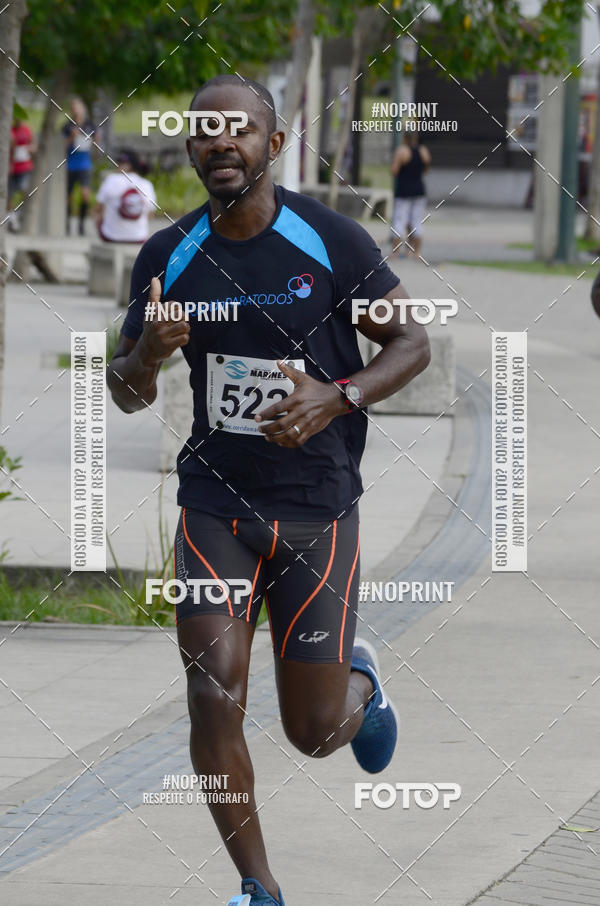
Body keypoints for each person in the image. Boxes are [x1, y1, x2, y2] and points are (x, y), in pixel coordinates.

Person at [107, 75, 430, 906]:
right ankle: (259, 889)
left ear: (274, 145)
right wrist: (146, 356)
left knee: (314, 731)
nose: (222, 141)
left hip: (318, 508)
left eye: (240, 129)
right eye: (206, 130)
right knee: (212, 687)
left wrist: (339, 395)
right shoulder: (167, 256)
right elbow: (126, 388)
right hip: (216, 504)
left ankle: (360, 683)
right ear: (192, 149)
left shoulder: (330, 241)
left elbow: (414, 344)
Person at [94, 149, 156, 243]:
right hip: (139, 237)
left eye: (120, 162)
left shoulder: (111, 179)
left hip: (110, 236)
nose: (117, 165)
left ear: (128, 166)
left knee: (98, 215)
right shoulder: (146, 184)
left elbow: (98, 209)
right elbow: (151, 214)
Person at [390, 129, 431, 259]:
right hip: (419, 190)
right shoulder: (423, 151)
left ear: (405, 138)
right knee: (416, 222)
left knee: (400, 221)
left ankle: (395, 252)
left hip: (403, 191)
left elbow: (394, 171)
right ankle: (416, 252)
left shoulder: (402, 151)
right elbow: (426, 168)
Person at [62, 97, 95, 235]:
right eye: (73, 107)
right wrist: (72, 137)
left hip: (84, 164)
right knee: (68, 196)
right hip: (70, 165)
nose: (76, 110)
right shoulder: (67, 126)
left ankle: (81, 225)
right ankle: (67, 224)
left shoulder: (90, 125)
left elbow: (96, 143)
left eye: (78, 107)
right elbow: (62, 146)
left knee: (85, 194)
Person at [7, 118, 35, 232]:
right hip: (13, 167)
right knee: (10, 194)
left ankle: (20, 212)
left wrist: (31, 149)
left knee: (25, 190)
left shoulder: (27, 130)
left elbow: (33, 144)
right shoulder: (10, 131)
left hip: (25, 166)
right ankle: (12, 218)